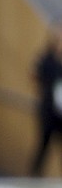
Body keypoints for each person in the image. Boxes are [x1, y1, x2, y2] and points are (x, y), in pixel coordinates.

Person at [29, 23, 62, 178]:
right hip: (49, 109)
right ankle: (34, 176)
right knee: (44, 144)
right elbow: (34, 75)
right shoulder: (47, 58)